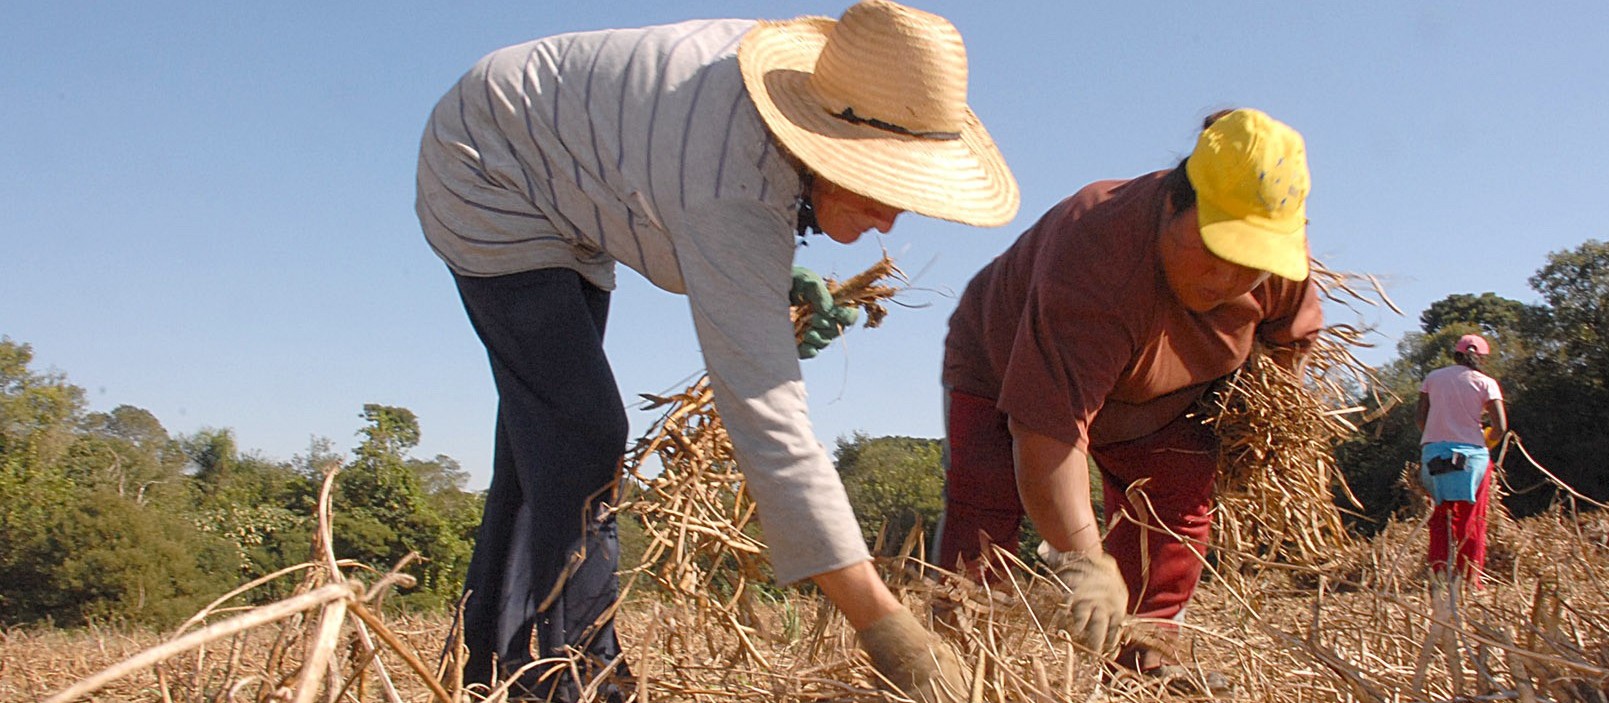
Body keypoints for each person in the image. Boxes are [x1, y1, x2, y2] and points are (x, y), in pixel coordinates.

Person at [413, 1, 1019, 700]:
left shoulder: (782, 120)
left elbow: (700, 205)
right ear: (823, 140)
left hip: (561, 165)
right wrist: (884, 625)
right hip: (488, 165)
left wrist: (771, 276)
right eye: (882, 184)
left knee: (542, 446)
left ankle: (500, 671)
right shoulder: (728, 176)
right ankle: (578, 674)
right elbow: (767, 421)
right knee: (579, 430)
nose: (890, 216)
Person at [934, 108, 1323, 690]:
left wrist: (1251, 418)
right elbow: (1050, 432)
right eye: (1216, 250)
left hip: (1161, 396)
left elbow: (1287, 348)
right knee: (984, 514)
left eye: (1252, 264)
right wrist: (1083, 561)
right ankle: (952, 666)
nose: (1229, 280)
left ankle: (1137, 664)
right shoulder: (1098, 253)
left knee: (1175, 515)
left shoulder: (1277, 268)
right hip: (1002, 365)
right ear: (1173, 202)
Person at [1416, 333, 1507, 589]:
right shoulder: (1486, 383)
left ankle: (1438, 577)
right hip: (1472, 458)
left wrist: (1437, 436)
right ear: (1481, 358)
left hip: (1434, 455)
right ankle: (1469, 581)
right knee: (1472, 520)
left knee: (1439, 519)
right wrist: (1487, 440)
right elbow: (1500, 427)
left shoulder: (1432, 378)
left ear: (1456, 354)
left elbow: (1420, 419)